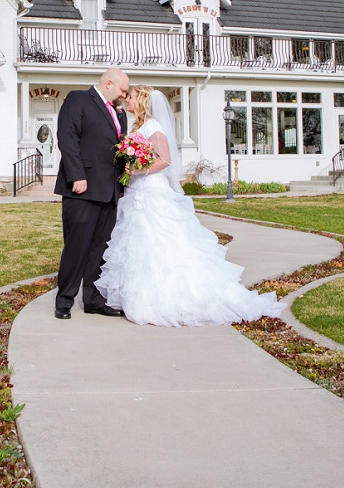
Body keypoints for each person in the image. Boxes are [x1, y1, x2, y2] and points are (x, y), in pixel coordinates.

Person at [95, 86, 285, 327]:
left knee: (160, 242)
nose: (127, 100)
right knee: (138, 244)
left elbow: (165, 160)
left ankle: (165, 300)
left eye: (131, 97)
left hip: (152, 191)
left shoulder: (153, 126)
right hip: (137, 191)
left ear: (141, 101)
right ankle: (138, 297)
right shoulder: (138, 126)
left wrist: (138, 169)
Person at [53, 67, 130, 319]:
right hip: (82, 188)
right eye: (122, 89)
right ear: (109, 83)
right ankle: (64, 301)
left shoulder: (119, 114)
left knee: (100, 248)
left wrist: (120, 185)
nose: (124, 95)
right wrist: (77, 175)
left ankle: (93, 299)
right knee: (76, 247)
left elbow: (117, 149)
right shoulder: (78, 99)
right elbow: (67, 136)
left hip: (108, 191)